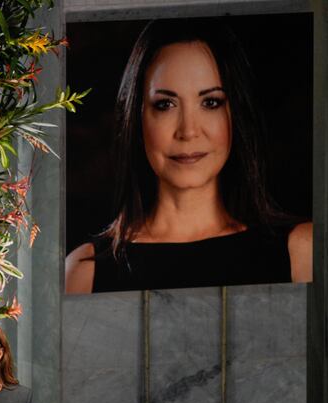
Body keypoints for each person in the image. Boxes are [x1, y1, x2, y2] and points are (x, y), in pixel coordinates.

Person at [65, 18, 313, 294]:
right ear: (136, 117)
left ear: (235, 113)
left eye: (210, 102)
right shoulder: (83, 273)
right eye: (165, 104)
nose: (189, 131)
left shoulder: (301, 253)